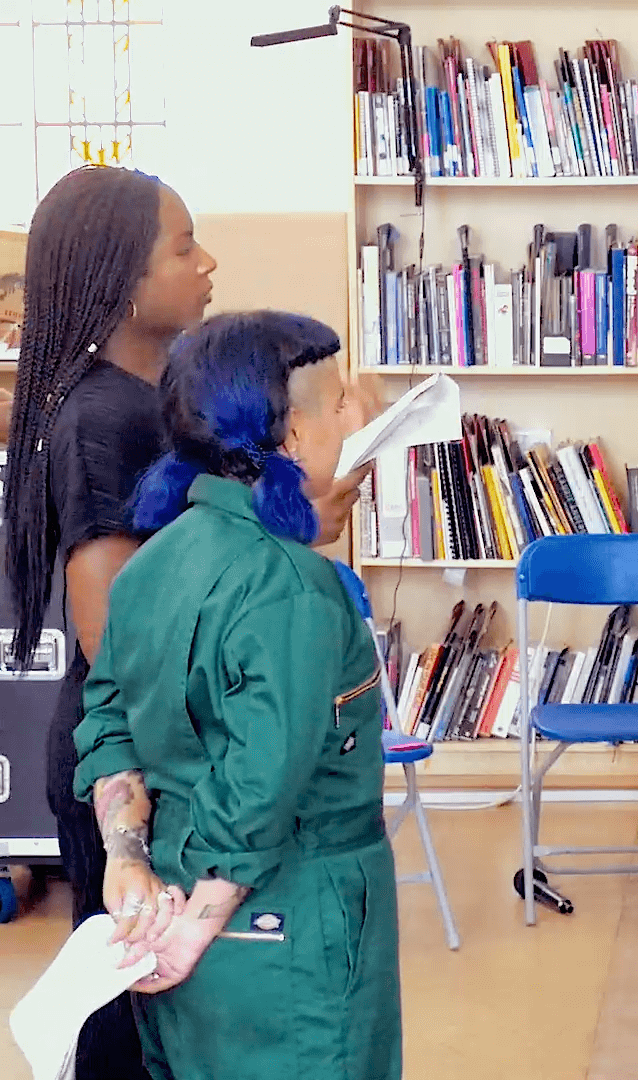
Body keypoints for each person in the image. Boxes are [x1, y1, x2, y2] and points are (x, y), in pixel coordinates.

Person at [2, 168, 368, 1080]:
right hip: (140, 763)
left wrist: (295, 516)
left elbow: (208, 544)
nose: (208, 263)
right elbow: (121, 642)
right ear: (123, 279)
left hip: (183, 759)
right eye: (182, 247)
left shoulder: (161, 396)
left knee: (192, 1019)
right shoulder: (99, 419)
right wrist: (290, 539)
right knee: (135, 1025)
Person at [70, 310, 400, 1080]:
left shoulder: (153, 564)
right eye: (340, 401)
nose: (354, 417)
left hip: (173, 905)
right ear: (293, 436)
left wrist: (127, 860)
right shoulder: (293, 587)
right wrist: (196, 928)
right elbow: (262, 784)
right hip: (290, 928)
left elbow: (109, 723)